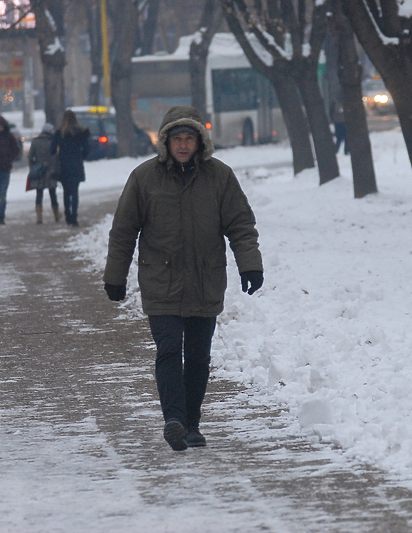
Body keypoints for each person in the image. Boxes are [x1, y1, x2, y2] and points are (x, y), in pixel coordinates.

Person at [103, 105, 264, 451]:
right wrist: (115, 276)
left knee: (198, 356)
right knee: (168, 349)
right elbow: (124, 230)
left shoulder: (220, 177)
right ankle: (173, 419)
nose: (183, 145)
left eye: (189, 137)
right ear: (166, 142)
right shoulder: (144, 178)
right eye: (177, 138)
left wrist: (250, 264)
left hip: (206, 281)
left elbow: (240, 224)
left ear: (199, 141)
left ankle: (191, 423)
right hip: (161, 281)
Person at [50, 110, 90, 226]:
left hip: (63, 165)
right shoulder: (81, 132)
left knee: (66, 192)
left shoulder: (59, 132)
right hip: (76, 163)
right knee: (74, 191)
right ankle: (74, 215)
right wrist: (81, 157)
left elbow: (52, 150)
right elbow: (87, 149)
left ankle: (67, 214)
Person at [28, 123, 62, 224]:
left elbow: (30, 156)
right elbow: (57, 156)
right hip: (51, 171)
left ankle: (39, 217)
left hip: (39, 171)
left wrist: (33, 166)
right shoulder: (53, 141)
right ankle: (56, 214)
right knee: (52, 194)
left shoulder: (35, 142)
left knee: (39, 194)